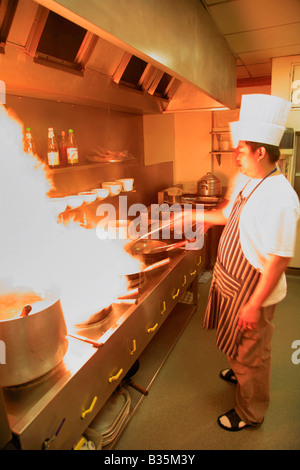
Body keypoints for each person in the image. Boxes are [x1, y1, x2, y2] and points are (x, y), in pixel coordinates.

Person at [202, 94, 300, 432]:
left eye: (240, 151)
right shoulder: (250, 180)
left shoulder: (282, 198)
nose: (235, 156)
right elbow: (226, 215)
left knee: (254, 355)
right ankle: (239, 369)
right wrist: (194, 216)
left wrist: (254, 304)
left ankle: (250, 412)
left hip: (254, 291)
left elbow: (278, 261)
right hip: (234, 285)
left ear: (261, 152)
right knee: (242, 347)